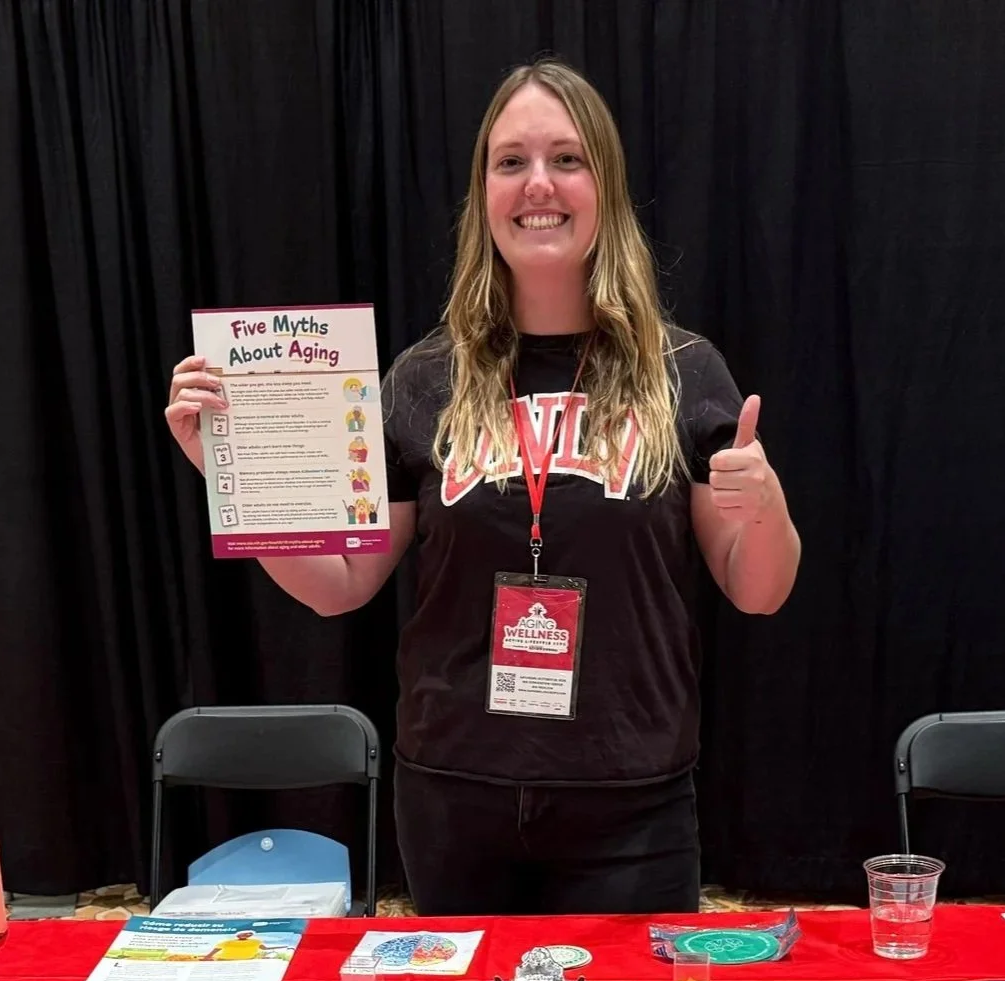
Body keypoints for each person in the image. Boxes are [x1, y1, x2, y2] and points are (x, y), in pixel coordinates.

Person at [166, 60, 799, 914]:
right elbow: (339, 587)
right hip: (452, 791)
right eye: (511, 162)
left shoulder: (680, 372)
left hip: (629, 797)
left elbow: (758, 590)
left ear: (604, 185)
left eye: (566, 159)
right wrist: (234, 476)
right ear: (483, 194)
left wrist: (765, 508)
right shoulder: (423, 379)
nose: (539, 183)